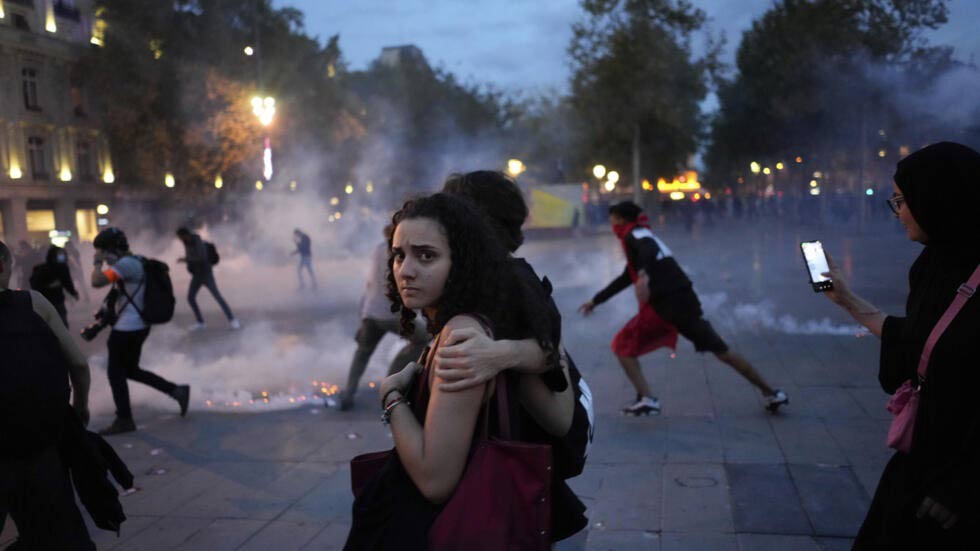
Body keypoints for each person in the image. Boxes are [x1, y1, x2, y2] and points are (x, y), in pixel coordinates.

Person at [346, 193, 577, 548]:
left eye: (427, 255)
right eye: (399, 255)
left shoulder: (460, 336)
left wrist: (390, 396)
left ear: (463, 262)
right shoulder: (459, 324)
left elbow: (435, 480)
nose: (405, 269)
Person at [821, 142, 980, 549]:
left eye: (903, 200)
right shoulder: (930, 265)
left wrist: (961, 485)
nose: (899, 212)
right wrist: (846, 299)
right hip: (920, 457)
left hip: (960, 480)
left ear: (939, 199)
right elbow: (918, 340)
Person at [579, 201, 788, 415]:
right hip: (683, 303)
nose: (611, 224)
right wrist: (596, 300)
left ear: (621, 219)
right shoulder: (640, 236)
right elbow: (626, 277)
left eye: (612, 219)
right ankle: (771, 392)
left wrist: (643, 274)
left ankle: (647, 398)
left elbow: (647, 251)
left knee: (622, 345)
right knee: (722, 351)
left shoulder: (637, 234)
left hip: (666, 307)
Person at [0, 239, 95, 550]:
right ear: (6, 267)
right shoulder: (34, 303)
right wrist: (79, 407)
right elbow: (79, 364)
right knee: (60, 531)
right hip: (38, 443)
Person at [91, 227, 190, 435]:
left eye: (103, 252)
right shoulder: (135, 261)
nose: (103, 258)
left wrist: (96, 263)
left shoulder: (126, 265)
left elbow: (96, 281)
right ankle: (176, 391)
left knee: (115, 374)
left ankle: (124, 419)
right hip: (137, 327)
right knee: (130, 370)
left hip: (127, 329)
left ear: (112, 250)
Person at [339, 225, 428, 411]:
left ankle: (349, 393)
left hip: (371, 313)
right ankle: (391, 380)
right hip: (393, 314)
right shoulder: (401, 255)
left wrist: (363, 318)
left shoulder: (378, 250)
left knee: (362, 353)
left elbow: (370, 284)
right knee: (422, 339)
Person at [176, 227, 240, 330]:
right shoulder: (186, 243)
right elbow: (191, 256)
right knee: (190, 298)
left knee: (218, 297)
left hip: (206, 274)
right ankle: (200, 322)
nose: (179, 239)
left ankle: (233, 320)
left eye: (180, 237)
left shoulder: (197, 241)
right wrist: (189, 264)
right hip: (197, 275)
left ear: (185, 235)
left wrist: (186, 260)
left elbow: (201, 258)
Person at [30, 244, 79, 328]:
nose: (62, 257)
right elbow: (35, 285)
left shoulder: (62, 267)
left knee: (61, 322)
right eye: (60, 255)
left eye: (63, 255)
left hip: (57, 300)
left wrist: (73, 293)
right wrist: (49, 286)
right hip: (47, 300)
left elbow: (67, 282)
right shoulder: (41, 269)